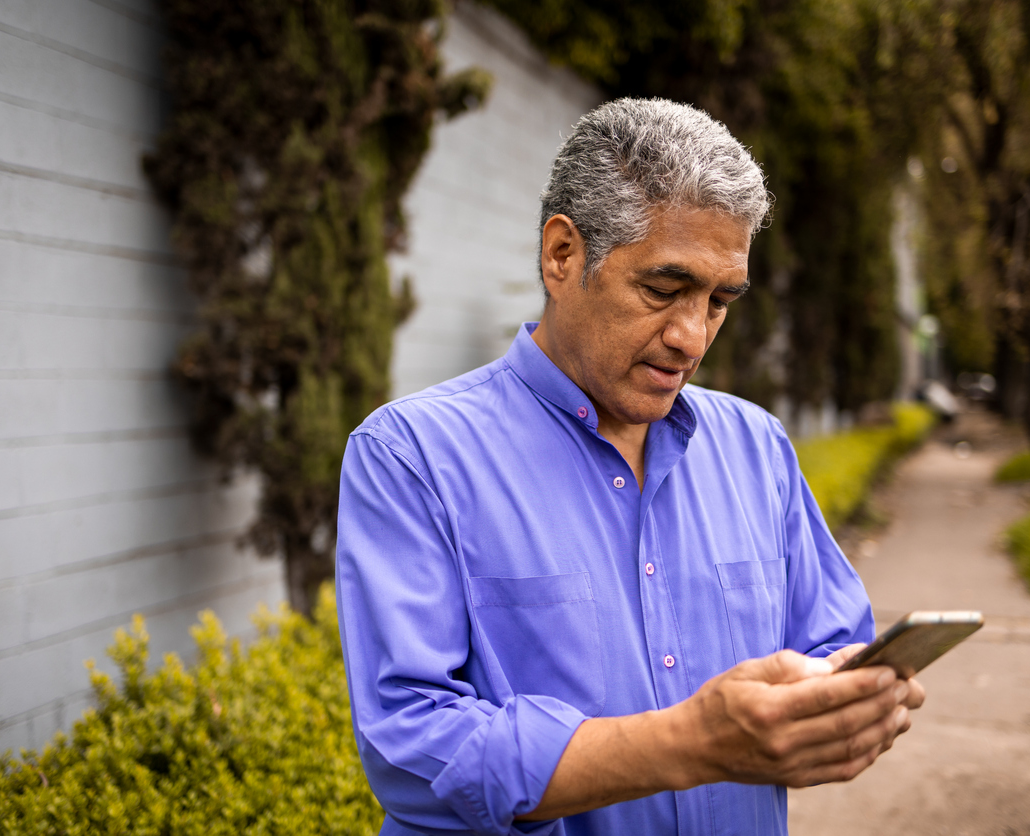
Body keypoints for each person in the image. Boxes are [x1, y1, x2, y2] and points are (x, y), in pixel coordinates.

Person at [335, 98, 924, 836]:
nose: (690, 336)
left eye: (718, 302)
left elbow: (834, 641)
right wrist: (689, 742)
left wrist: (851, 702)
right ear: (562, 255)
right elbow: (413, 749)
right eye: (662, 290)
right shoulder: (412, 457)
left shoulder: (756, 446)